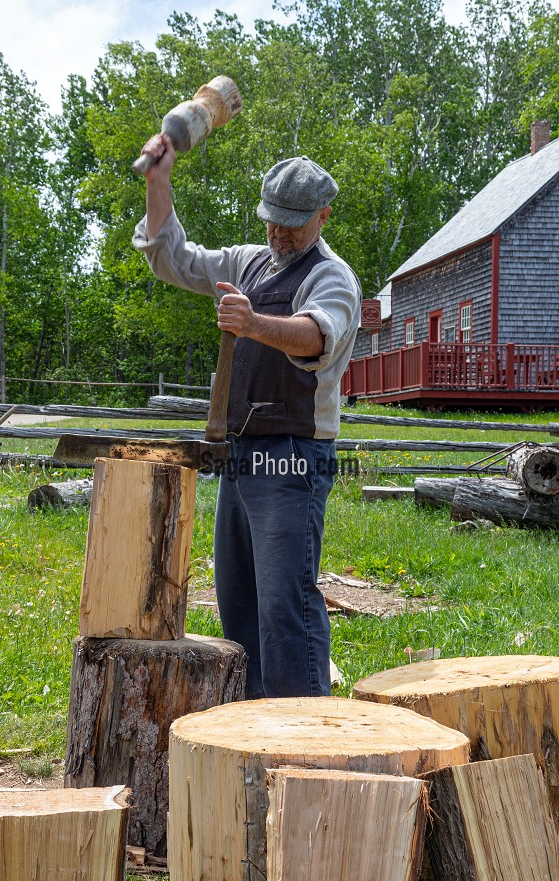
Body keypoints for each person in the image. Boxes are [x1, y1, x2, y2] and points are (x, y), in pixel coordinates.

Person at [133, 133, 361, 699]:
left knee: (284, 600)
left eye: (294, 223)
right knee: (239, 600)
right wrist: (158, 185)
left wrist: (253, 322)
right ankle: (255, 720)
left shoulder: (332, 277)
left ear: (323, 216)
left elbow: (316, 336)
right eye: (272, 220)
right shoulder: (249, 262)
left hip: (291, 458)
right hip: (241, 453)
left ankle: (305, 731)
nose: (280, 233)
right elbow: (176, 260)